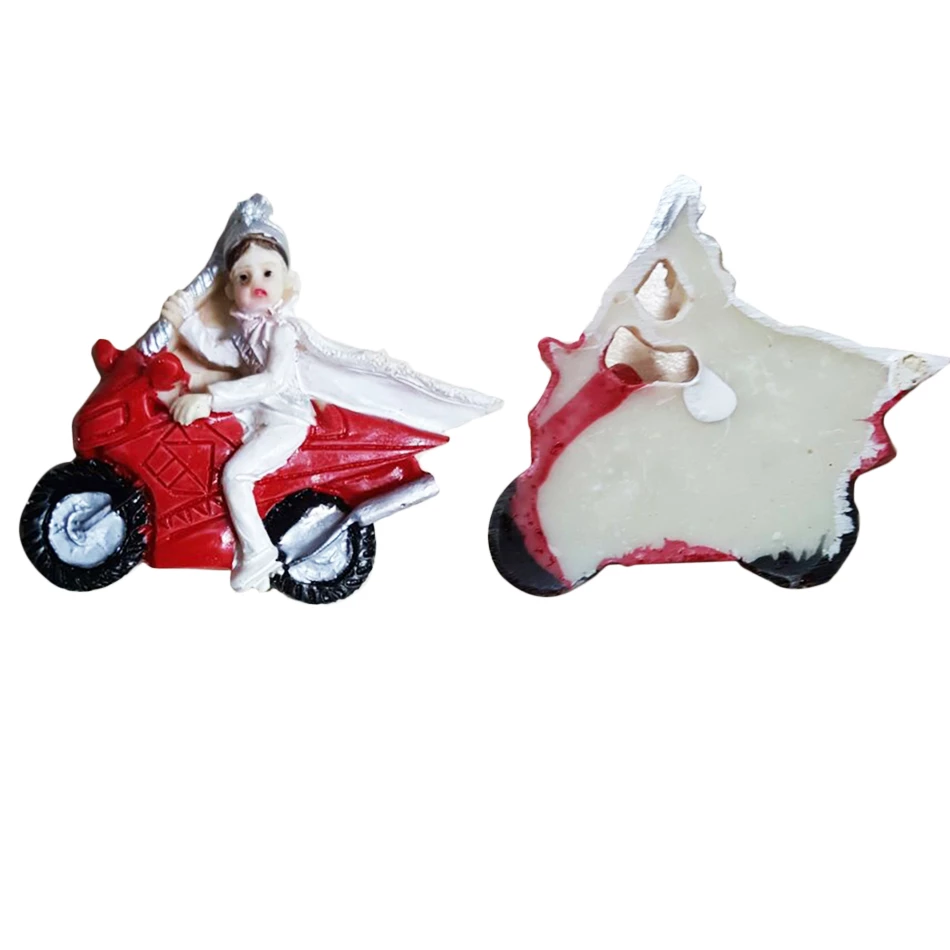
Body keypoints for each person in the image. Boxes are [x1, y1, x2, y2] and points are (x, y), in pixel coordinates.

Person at [160, 216, 310, 592]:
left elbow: (272, 381)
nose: (256, 283)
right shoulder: (248, 331)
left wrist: (212, 399)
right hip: (255, 416)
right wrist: (186, 321)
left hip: (286, 421)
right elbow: (220, 353)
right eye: (244, 276)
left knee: (236, 476)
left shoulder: (283, 332)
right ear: (230, 290)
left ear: (287, 282)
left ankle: (259, 553)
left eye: (267, 273)